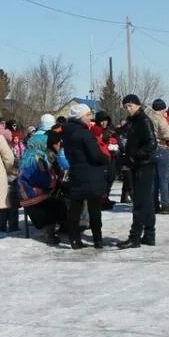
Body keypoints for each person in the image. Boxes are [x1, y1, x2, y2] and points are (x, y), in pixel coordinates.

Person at [61, 104, 108, 249]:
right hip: (91, 174)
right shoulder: (85, 134)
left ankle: (74, 240)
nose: (90, 118)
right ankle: (97, 240)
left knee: (75, 209)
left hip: (76, 173)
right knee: (94, 209)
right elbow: (95, 155)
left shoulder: (67, 133)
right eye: (88, 115)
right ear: (80, 117)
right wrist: (106, 158)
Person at [118, 95, 158, 249]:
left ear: (137, 105)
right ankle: (149, 234)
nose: (128, 109)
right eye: (125, 106)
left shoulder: (143, 120)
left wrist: (135, 156)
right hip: (138, 164)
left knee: (140, 202)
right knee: (146, 202)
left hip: (144, 165)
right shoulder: (133, 121)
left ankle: (134, 237)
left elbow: (151, 143)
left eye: (130, 105)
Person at [17, 124, 67, 244]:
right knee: (56, 203)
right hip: (30, 194)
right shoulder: (36, 158)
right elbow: (44, 181)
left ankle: (55, 227)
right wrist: (56, 181)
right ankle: (49, 233)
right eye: (57, 142)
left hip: (27, 191)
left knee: (57, 199)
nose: (59, 145)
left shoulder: (30, 154)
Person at [148, 99, 169, 213]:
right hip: (161, 149)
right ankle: (165, 204)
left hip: (151, 150)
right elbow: (167, 134)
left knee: (154, 180)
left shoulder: (148, 117)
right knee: (164, 179)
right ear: (162, 109)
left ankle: (154, 204)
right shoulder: (160, 119)